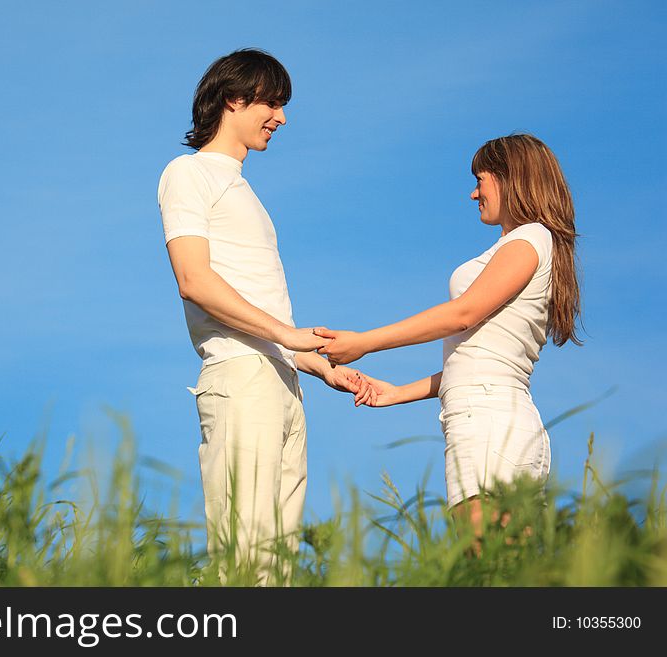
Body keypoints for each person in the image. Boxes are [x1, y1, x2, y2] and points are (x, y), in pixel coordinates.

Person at [157, 49, 374, 579]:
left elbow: (266, 311)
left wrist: (322, 365)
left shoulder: (244, 190)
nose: (282, 118)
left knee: (276, 568)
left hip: (282, 386)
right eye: (273, 103)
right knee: (243, 558)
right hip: (241, 379)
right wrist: (287, 334)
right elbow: (194, 280)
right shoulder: (189, 173)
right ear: (234, 98)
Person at [315, 134, 581, 538]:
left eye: (481, 179)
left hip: (490, 421)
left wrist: (365, 342)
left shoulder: (529, 239)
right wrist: (396, 392)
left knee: (488, 564)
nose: (474, 193)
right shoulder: (526, 243)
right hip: (487, 414)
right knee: (500, 568)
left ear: (511, 178)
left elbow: (463, 314)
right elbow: (476, 357)